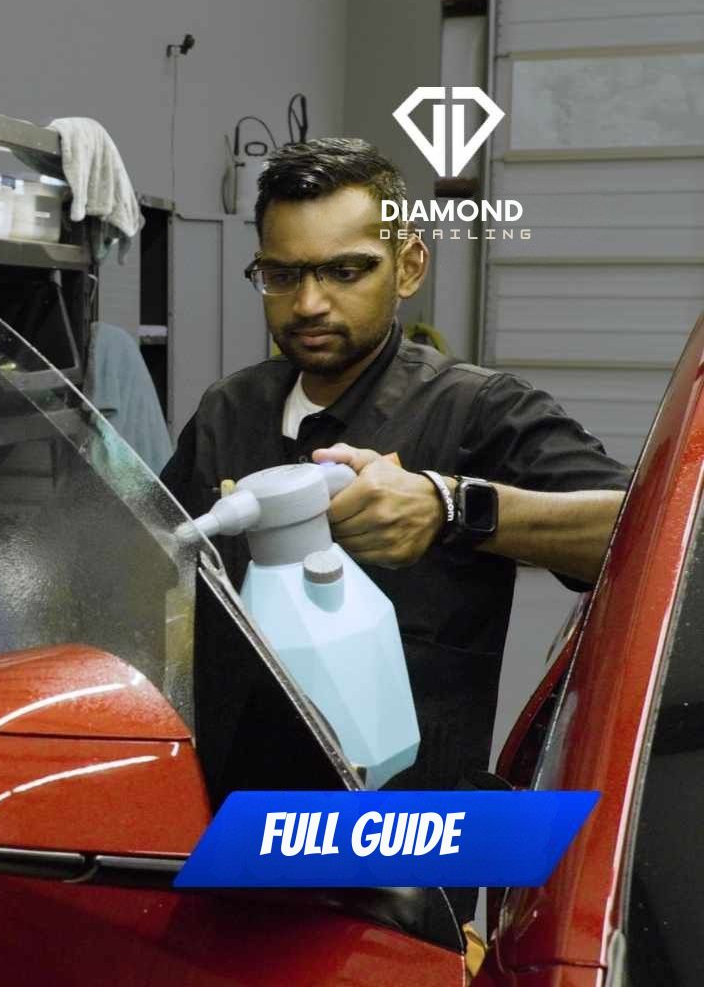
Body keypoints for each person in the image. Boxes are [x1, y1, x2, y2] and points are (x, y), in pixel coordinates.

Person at [160, 138, 630, 791]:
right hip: (235, 805)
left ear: (408, 266)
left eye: (346, 272)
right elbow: (158, 563)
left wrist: (453, 507)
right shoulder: (228, 409)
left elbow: (646, 541)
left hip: (401, 833)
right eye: (282, 275)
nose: (309, 304)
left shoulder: (480, 411)